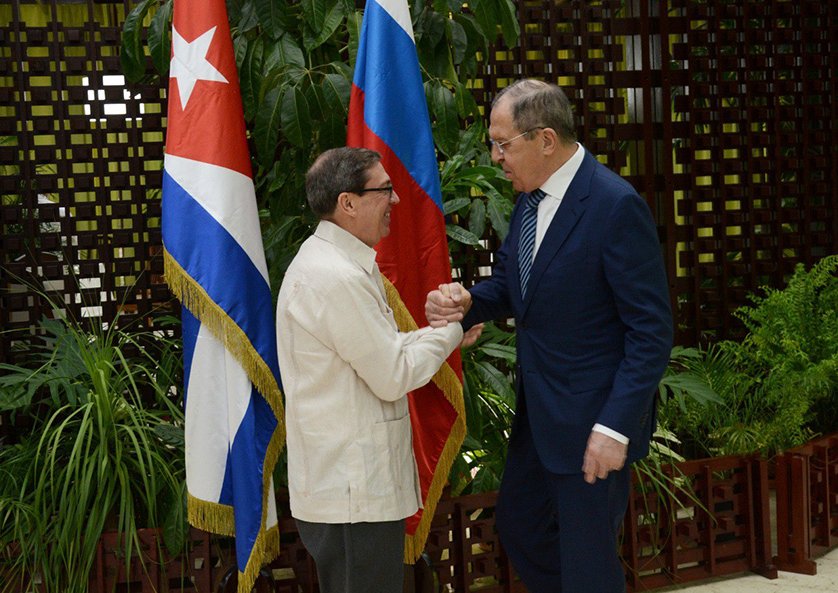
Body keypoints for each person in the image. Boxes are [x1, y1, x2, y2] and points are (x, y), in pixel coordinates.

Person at [425, 79, 673, 592]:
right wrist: (471, 302)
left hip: (592, 426)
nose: (494, 156)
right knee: (521, 527)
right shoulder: (531, 200)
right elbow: (520, 287)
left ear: (544, 140)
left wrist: (615, 428)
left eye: (502, 143)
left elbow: (650, 332)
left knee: (588, 561)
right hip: (540, 416)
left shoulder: (614, 206)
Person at [275, 146, 477, 593]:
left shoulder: (339, 264)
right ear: (347, 203)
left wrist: (441, 336)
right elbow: (392, 374)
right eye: (384, 189)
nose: (397, 200)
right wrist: (451, 331)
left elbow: (381, 352)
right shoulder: (335, 276)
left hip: (353, 492)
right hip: (352, 498)